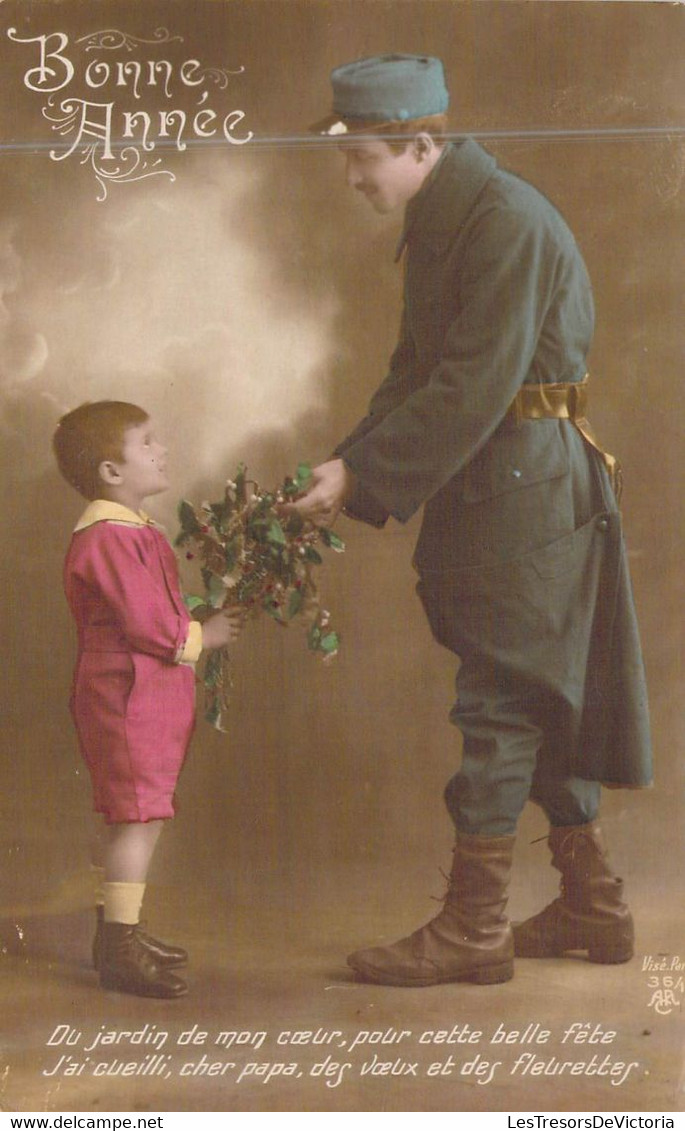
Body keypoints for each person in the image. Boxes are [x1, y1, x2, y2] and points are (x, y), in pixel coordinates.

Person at [293, 54, 653, 987]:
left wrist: (359, 470)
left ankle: (473, 924)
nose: (353, 177)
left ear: (421, 144)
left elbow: (469, 385)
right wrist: (346, 461)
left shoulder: (503, 223)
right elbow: (414, 373)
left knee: (503, 695)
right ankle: (593, 902)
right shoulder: (446, 215)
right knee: (534, 690)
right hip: (498, 480)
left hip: (527, 484)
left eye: (362, 157)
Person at [53, 401, 242, 998]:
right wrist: (202, 636)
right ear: (112, 471)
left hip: (146, 690)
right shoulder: (107, 537)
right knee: (135, 815)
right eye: (147, 443)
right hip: (125, 692)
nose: (161, 450)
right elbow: (145, 622)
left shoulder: (134, 529)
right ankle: (119, 947)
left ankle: (117, 932)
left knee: (143, 812)